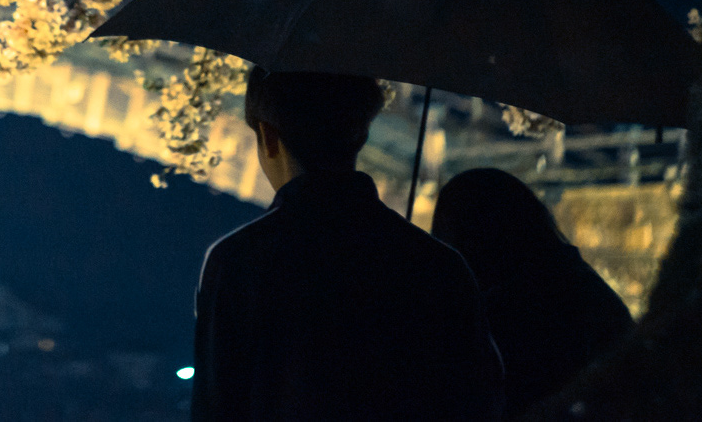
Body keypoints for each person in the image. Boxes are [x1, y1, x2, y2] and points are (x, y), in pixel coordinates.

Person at [192, 68, 504, 421]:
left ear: (268, 137)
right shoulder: (440, 264)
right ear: (361, 131)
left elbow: (218, 406)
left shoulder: (239, 261)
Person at [431, 168, 634, 419]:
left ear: (478, 234)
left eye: (449, 237)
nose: (450, 254)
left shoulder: (514, 310)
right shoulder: (574, 286)